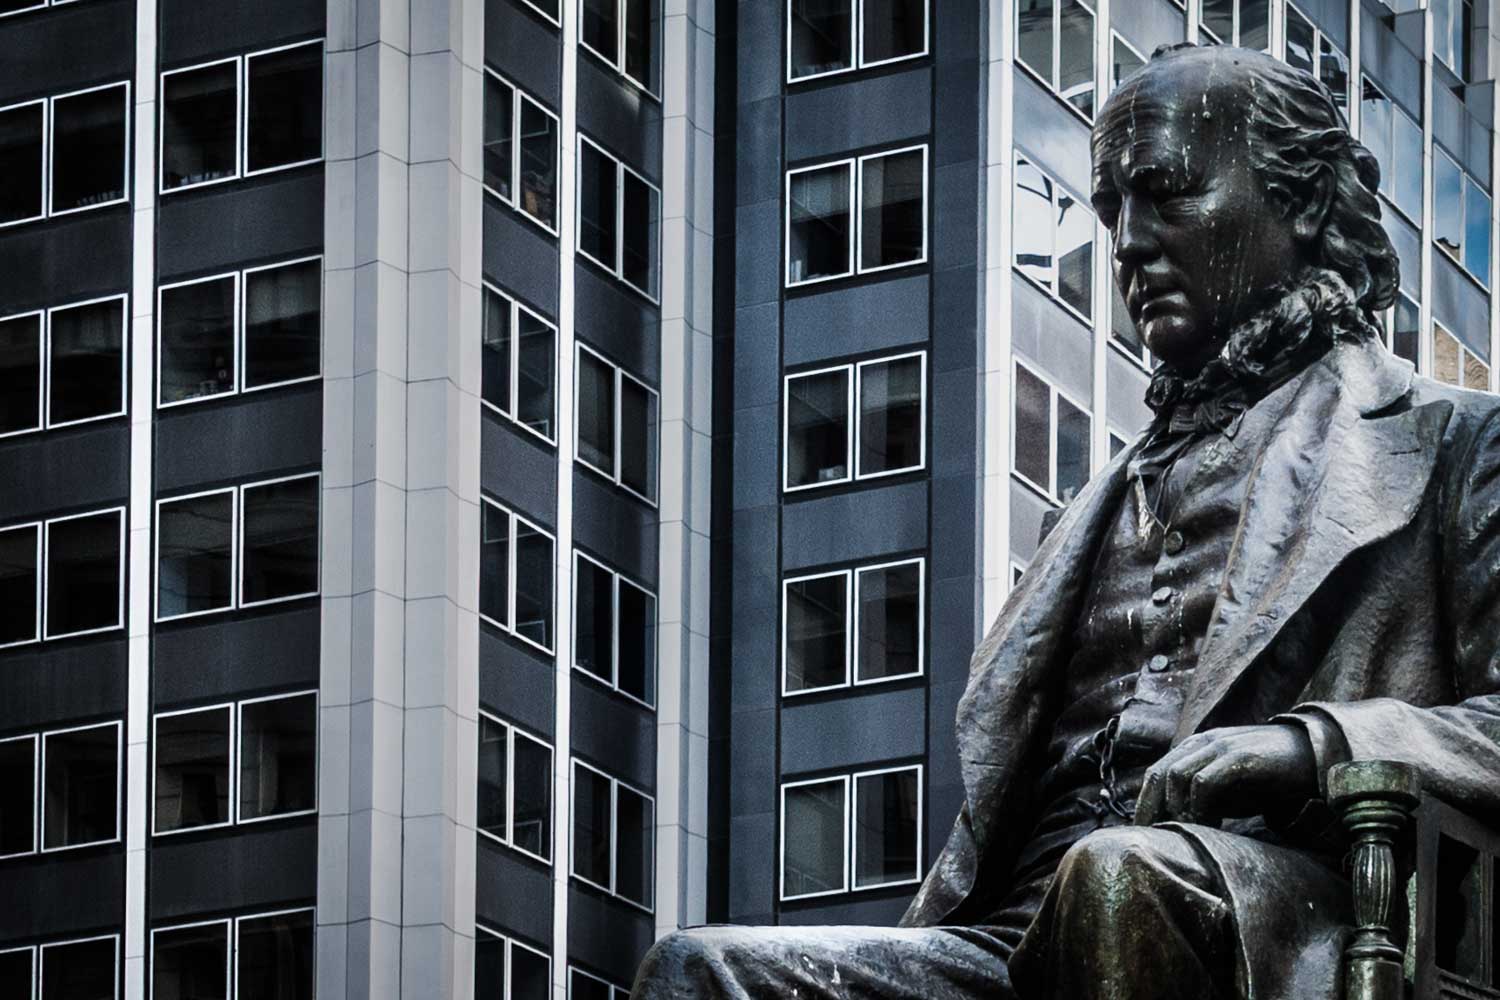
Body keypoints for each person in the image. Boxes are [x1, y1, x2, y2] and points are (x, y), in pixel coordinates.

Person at [630, 43, 1500, 1000]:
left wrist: (1309, 748)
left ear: (1301, 201)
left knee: (1115, 878)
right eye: (1112, 207)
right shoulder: (1086, 512)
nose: (1128, 242)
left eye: (1167, 191)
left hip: (1266, 929)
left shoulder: (1455, 444)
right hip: (1015, 937)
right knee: (699, 970)